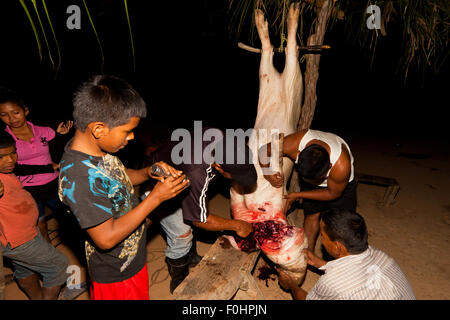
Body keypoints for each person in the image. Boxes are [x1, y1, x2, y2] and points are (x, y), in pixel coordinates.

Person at [58, 75, 189, 300]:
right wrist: (155, 199)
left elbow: (118, 178)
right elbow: (106, 238)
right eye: (126, 131)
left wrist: (148, 172)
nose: (132, 137)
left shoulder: (98, 151)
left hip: (131, 258)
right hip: (115, 276)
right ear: (99, 129)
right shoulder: (77, 177)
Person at [145, 127, 257, 293]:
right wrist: (237, 226)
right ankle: (179, 280)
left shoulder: (223, 139)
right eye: (232, 175)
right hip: (158, 183)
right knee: (182, 234)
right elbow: (199, 220)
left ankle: (191, 257)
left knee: (194, 208)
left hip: (179, 168)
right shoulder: (197, 171)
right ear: (218, 166)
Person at [276, 208, 416, 300]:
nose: (322, 241)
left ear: (338, 247)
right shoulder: (383, 257)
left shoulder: (332, 283)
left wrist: (291, 285)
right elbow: (359, 273)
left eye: (323, 237)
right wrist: (321, 264)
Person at [258, 129, 356, 251]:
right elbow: (264, 150)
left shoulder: (341, 165)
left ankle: (344, 260)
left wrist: (298, 195)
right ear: (299, 153)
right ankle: (308, 254)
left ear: (329, 166)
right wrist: (267, 172)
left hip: (338, 187)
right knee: (311, 216)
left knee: (343, 223)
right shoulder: (293, 144)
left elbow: (333, 193)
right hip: (314, 176)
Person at [0, 133, 69, 300]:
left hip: (25, 234)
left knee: (25, 269)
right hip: (19, 240)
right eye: (1, 157)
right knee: (59, 265)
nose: (10, 160)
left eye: (12, 153)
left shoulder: (6, 172)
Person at [0, 87, 74, 243]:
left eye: (15, 112)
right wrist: (48, 167)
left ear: (25, 111)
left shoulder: (42, 131)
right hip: (28, 188)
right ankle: (50, 256)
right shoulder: (5, 140)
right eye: (4, 115)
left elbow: (56, 148)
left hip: (53, 182)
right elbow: (16, 168)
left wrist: (61, 136)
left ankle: (70, 244)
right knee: (39, 224)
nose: (12, 118)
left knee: (68, 215)